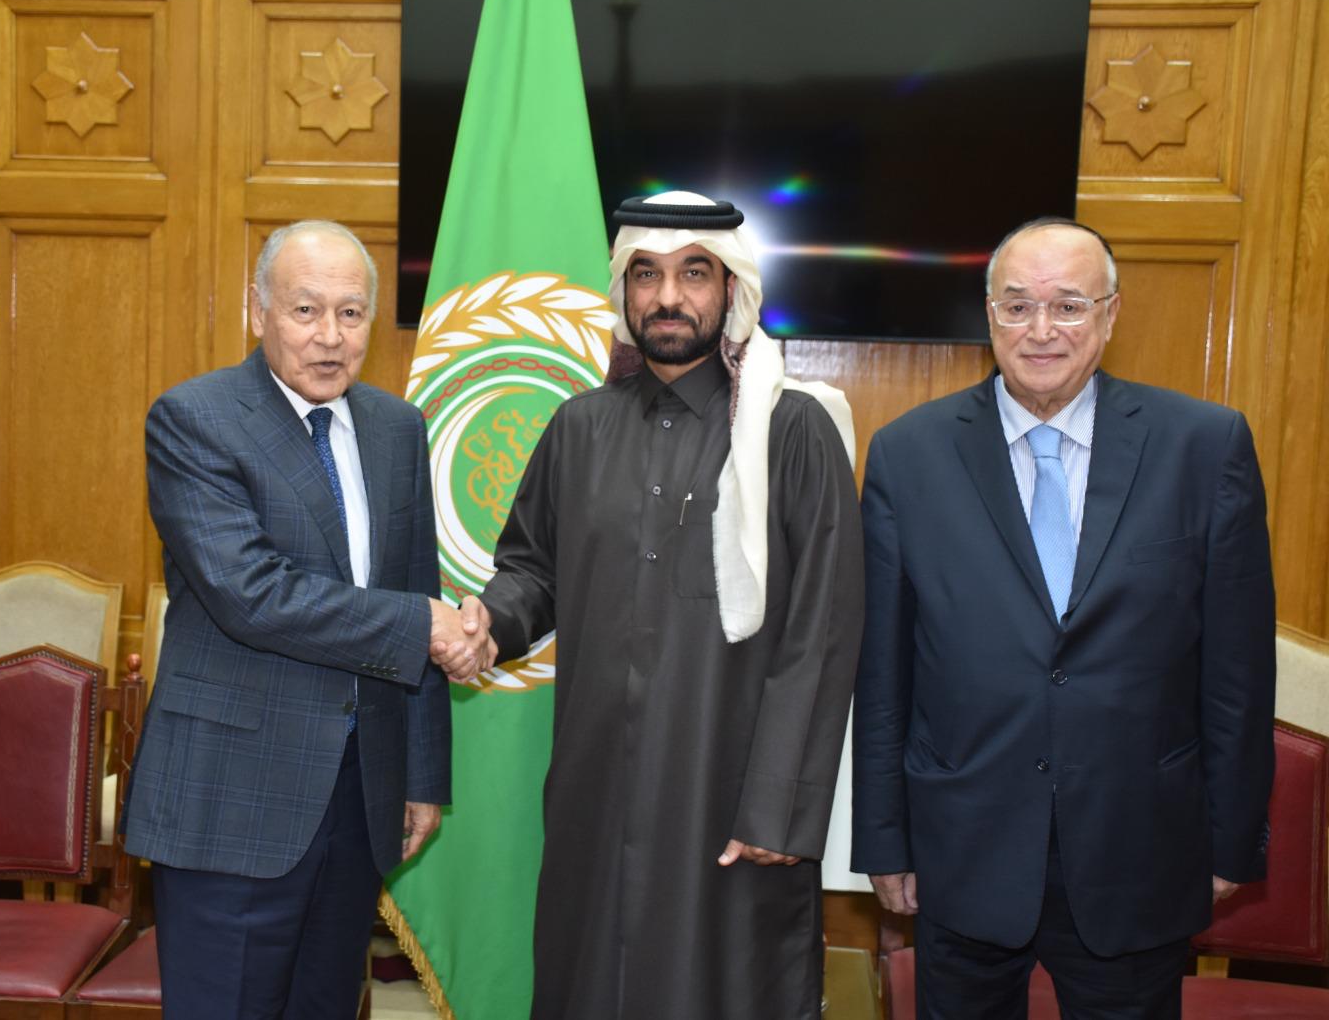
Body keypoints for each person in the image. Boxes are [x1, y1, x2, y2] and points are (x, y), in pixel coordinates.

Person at [448, 190, 865, 1019]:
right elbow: (532, 570)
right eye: (646, 274)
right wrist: (489, 623)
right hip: (598, 789)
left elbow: (822, 631)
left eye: (693, 274)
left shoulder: (793, 431)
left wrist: (779, 807)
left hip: (730, 795)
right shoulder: (579, 428)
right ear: (624, 291)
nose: (668, 296)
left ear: (731, 289)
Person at [851, 217, 1276, 1019]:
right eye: (1017, 306)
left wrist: (1230, 841)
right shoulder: (908, 455)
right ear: (990, 316)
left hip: (1139, 849)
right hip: (962, 850)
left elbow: (1239, 674)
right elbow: (883, 677)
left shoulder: (1203, 446)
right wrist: (884, 838)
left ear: (1111, 316)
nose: (1041, 330)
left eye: (1069, 306)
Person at [122, 220, 490, 1020]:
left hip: (360, 803)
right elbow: (252, 593)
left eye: (351, 314)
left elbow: (413, 582)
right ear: (259, 311)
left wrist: (421, 775)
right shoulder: (194, 419)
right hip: (233, 799)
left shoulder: (396, 428)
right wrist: (423, 625)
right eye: (305, 310)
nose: (330, 337)